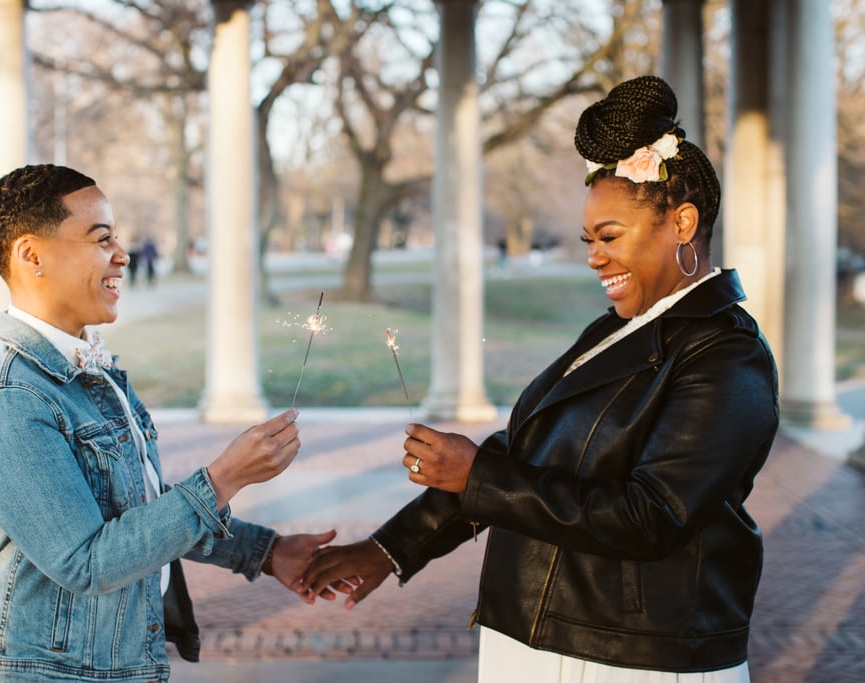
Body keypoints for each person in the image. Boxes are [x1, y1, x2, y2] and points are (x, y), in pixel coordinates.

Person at [304, 75, 779, 682]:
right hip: (531, 638)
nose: (593, 256)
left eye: (609, 237)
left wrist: (479, 475)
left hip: (633, 658)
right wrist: (390, 548)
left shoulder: (726, 354)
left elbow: (651, 515)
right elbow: (520, 459)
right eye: (589, 240)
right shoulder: (613, 332)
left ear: (682, 223)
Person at [0, 164, 335, 683]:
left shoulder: (86, 373)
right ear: (31, 255)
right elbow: (88, 562)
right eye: (101, 238)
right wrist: (225, 477)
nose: (122, 256)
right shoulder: (10, 396)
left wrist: (263, 552)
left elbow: (133, 509)